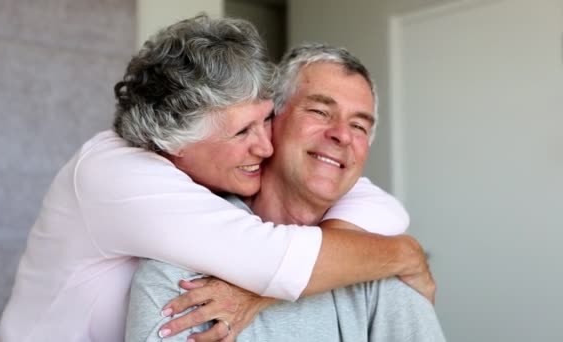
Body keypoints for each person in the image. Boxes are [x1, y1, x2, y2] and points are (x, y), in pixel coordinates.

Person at [0, 15, 429, 342]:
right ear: (173, 147)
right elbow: (273, 259)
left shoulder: (217, 166)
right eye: (243, 132)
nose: (265, 145)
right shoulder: (120, 179)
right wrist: (405, 255)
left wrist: (399, 249)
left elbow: (376, 203)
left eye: (265, 121)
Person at [125, 44, 445, 342]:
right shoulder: (178, 270)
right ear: (269, 121)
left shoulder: (382, 269)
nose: (342, 136)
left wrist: (265, 291)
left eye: (359, 126)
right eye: (320, 112)